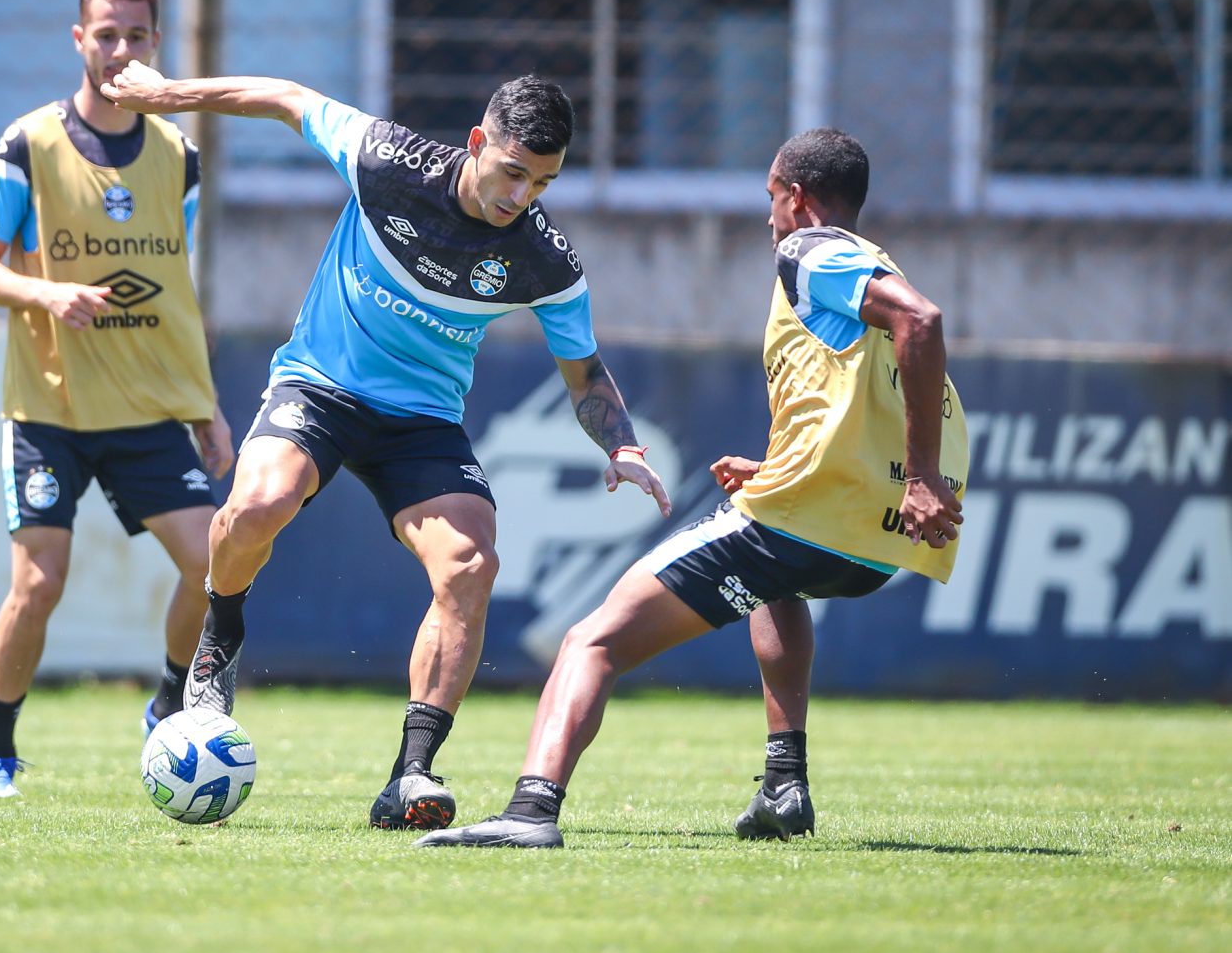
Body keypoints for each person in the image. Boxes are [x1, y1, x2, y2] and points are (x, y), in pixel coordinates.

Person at [101, 63, 672, 830]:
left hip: (421, 421)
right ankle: (221, 635)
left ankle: (411, 776)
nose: (520, 197)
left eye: (541, 184)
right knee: (258, 504)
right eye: (511, 173)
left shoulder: (545, 260)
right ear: (477, 143)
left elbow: (584, 372)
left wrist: (622, 445)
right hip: (318, 388)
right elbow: (285, 99)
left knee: (470, 564)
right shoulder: (387, 161)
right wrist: (169, 95)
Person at [414, 127, 969, 848]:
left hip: (812, 522)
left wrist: (921, 476)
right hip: (872, 544)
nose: (768, 215)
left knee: (590, 642)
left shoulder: (809, 250)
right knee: (779, 585)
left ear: (796, 198)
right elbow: (865, 397)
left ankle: (529, 812)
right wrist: (777, 474)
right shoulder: (867, 265)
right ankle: (783, 784)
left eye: (771, 197)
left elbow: (920, 321)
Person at [0, 0, 233, 799]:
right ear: (79, 39)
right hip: (49, 406)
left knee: (214, 562)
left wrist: (204, 406)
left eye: (136, 35)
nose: (120, 50)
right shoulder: (28, 144)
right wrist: (46, 292)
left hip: (146, 408)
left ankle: (165, 700)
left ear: (158, 42)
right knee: (38, 583)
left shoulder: (178, 157)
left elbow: (173, 296)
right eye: (105, 34)